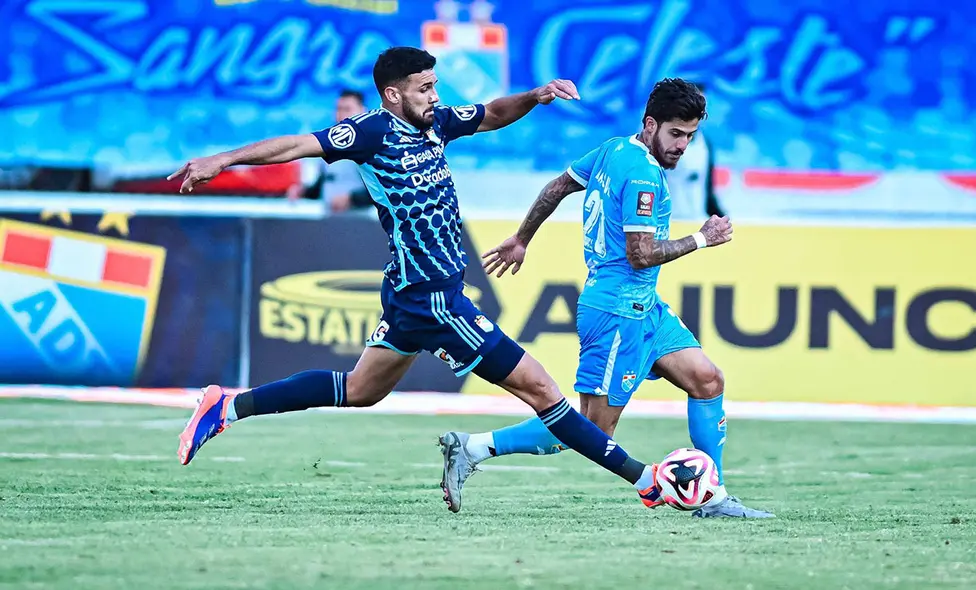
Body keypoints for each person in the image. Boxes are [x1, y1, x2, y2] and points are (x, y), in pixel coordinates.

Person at [168, 46, 667, 514]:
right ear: (393, 94)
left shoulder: (436, 124)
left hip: (416, 294)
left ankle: (227, 406)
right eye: (425, 88)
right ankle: (647, 481)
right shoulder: (367, 132)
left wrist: (534, 96)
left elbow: (492, 113)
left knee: (361, 389)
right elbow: (300, 144)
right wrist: (223, 159)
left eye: (435, 85)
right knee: (543, 391)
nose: (436, 96)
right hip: (433, 301)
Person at [441, 78, 773, 518]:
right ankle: (473, 448)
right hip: (616, 310)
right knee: (591, 428)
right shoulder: (642, 174)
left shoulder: (613, 149)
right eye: (675, 134)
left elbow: (557, 187)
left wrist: (522, 238)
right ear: (651, 124)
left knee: (707, 379)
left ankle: (714, 497)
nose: (682, 146)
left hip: (644, 306)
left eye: (690, 136)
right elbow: (640, 255)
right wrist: (701, 239)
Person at [286, 89, 374, 213]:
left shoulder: (371, 145)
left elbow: (382, 189)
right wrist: (303, 192)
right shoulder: (329, 145)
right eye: (338, 109)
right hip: (330, 219)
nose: (341, 114)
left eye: (347, 109)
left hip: (360, 219)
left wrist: (352, 199)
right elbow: (323, 183)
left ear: (362, 110)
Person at [663, 83, 726, 220]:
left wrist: (723, 219)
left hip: (696, 222)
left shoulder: (704, 143)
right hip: (670, 222)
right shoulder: (662, 141)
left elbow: (707, 189)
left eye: (703, 108)